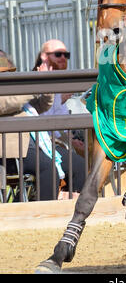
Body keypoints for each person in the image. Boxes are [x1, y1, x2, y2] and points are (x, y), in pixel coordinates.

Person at [0, 50, 57, 201]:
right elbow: (9, 103)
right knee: (49, 170)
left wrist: (46, 82)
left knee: (76, 164)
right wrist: (36, 85)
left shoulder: (11, 90)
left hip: (32, 145)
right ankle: (44, 213)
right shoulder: (10, 95)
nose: (5, 77)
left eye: (8, 72)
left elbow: (42, 105)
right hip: (10, 153)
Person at [33, 39, 86, 196]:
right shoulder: (34, 81)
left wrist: (71, 140)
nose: (63, 58)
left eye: (66, 54)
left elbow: (61, 124)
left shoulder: (58, 83)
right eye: (58, 54)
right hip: (38, 144)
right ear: (44, 56)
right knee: (79, 165)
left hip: (53, 142)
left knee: (87, 156)